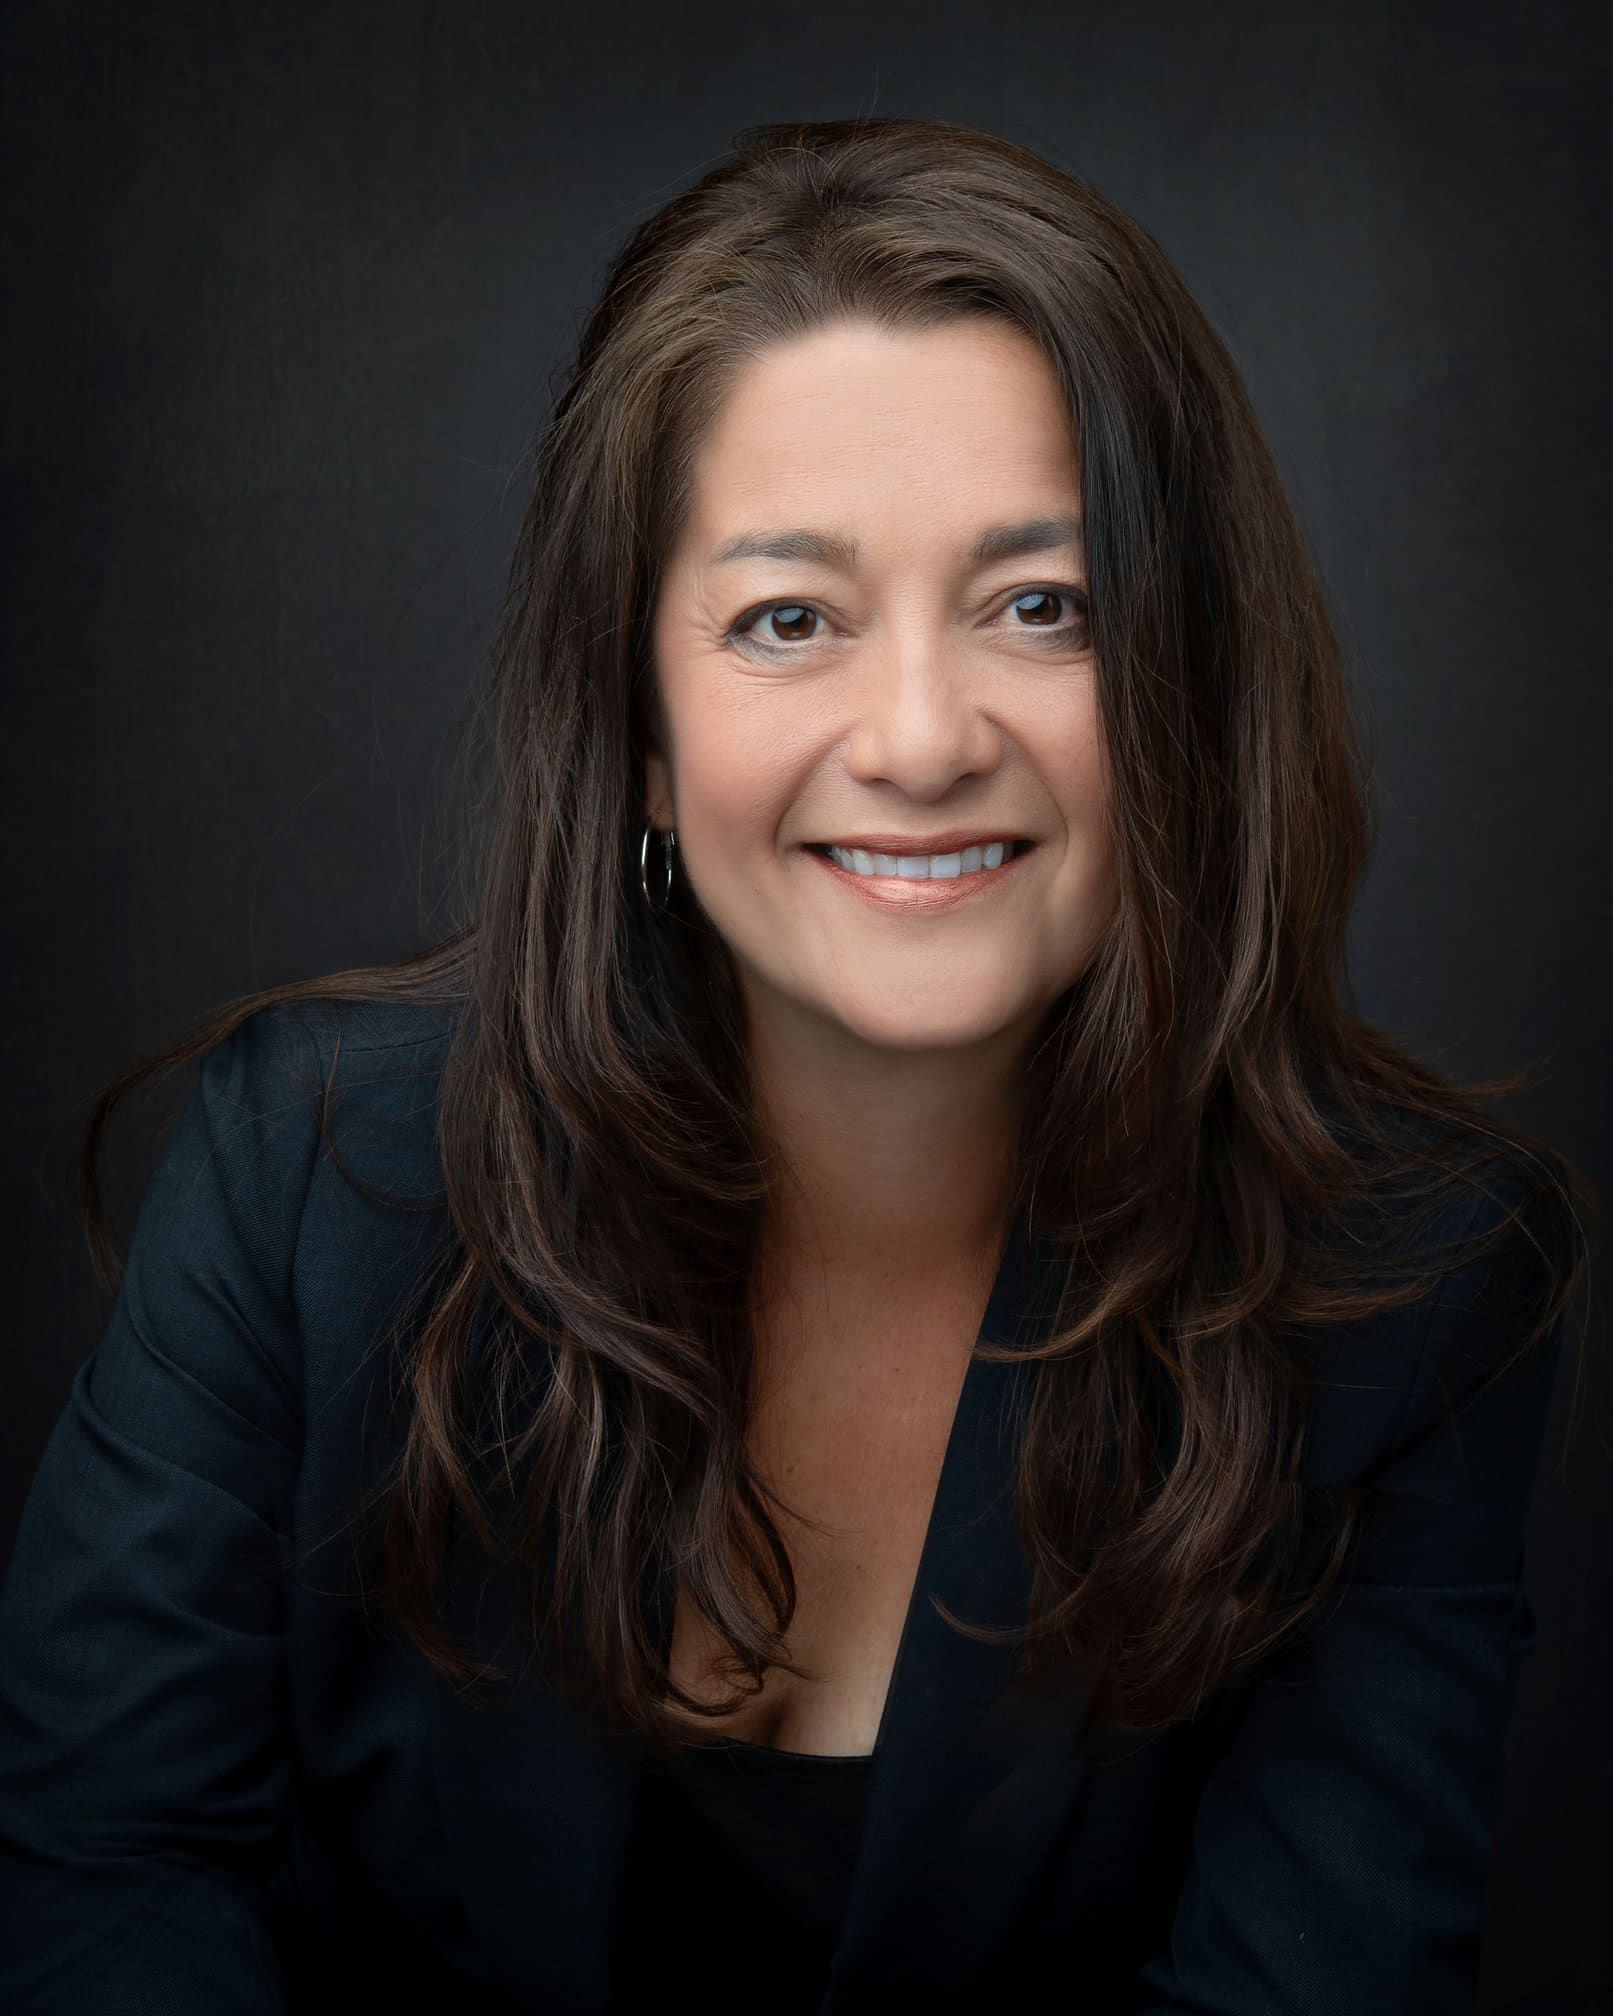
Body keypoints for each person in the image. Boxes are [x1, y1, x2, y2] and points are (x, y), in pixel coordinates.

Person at [0, 115, 1595, 2016]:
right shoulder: (307, 1176)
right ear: (642, 741)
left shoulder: (1411, 1284)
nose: (920, 737)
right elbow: (107, 1881)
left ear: (1187, 683)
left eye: (1042, 606)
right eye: (786, 620)